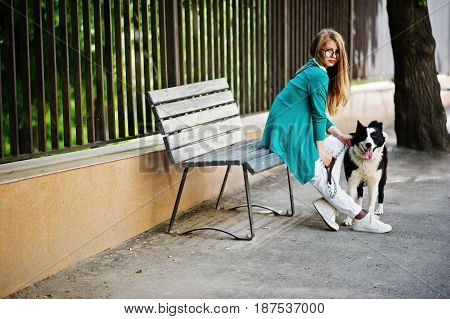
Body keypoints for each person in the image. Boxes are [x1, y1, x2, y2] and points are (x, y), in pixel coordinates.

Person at [260, 28, 391, 234]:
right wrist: (321, 151)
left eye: (336, 52)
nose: (333, 56)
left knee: (341, 143)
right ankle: (360, 217)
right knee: (320, 173)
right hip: (287, 134)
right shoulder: (317, 75)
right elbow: (317, 117)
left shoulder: (313, 69)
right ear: (317, 50)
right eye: (328, 51)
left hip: (288, 129)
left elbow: (317, 112)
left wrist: (338, 135)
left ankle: (329, 203)